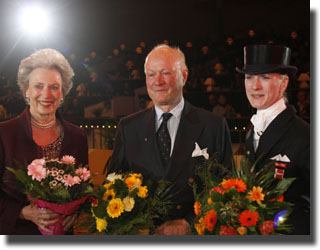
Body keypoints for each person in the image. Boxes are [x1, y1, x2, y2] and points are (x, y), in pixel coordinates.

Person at [107, 44, 233, 235]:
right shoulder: (128, 127)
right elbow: (112, 187)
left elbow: (227, 190)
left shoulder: (214, 126)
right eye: (151, 74)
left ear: (185, 75)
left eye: (166, 73)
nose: (158, 81)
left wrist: (190, 224)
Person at [0, 48, 89, 234]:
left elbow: (83, 190)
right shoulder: (4, 134)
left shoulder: (78, 136)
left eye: (54, 87)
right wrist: (22, 212)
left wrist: (75, 213)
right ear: (26, 90)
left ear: (63, 92)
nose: (46, 94)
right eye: (38, 86)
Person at [236, 44, 310, 235]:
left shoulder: (305, 135)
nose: (255, 86)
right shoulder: (252, 130)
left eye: (265, 77)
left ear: (284, 83)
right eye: (249, 77)